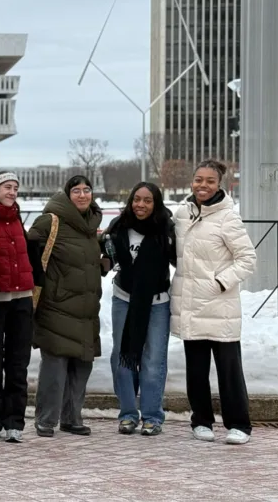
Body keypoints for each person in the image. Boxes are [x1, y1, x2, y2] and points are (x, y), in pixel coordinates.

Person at [172, 159, 256, 445]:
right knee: (195, 370)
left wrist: (219, 282)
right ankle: (201, 420)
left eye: (209, 181)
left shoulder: (227, 217)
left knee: (229, 370)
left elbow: (247, 259)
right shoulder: (183, 214)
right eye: (198, 179)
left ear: (220, 184)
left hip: (220, 306)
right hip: (190, 305)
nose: (202, 185)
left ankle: (239, 425)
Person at [28, 175, 103, 438]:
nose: (83, 195)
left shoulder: (91, 224)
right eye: (76, 191)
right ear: (67, 195)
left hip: (86, 309)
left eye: (87, 190)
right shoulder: (51, 221)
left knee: (82, 365)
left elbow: (90, 262)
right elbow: (27, 247)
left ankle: (72, 418)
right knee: (55, 366)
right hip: (56, 306)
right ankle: (46, 419)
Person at [101, 182, 176, 437]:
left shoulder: (166, 229)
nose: (140, 205)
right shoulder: (119, 226)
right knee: (123, 356)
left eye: (147, 200)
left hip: (157, 302)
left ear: (156, 204)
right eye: (136, 199)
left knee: (153, 359)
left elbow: (183, 260)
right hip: (124, 299)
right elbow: (106, 259)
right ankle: (128, 414)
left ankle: (152, 416)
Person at [0, 171, 37, 443]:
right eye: (7, 187)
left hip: (22, 299)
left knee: (17, 363)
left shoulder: (18, 220)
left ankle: (15, 421)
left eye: (15, 187)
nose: (12, 191)